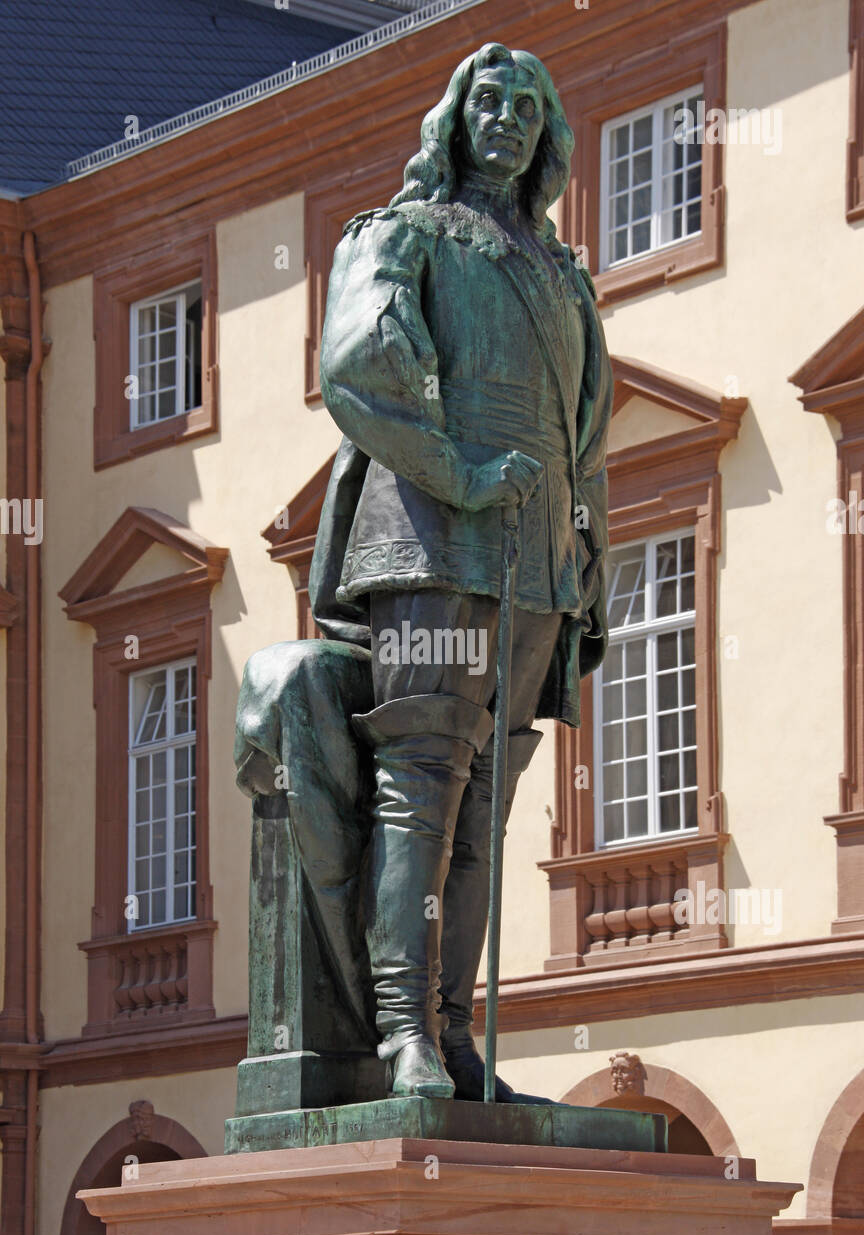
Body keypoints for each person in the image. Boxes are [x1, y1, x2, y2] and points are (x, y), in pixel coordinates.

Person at [309, 41, 613, 1102]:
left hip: (534, 563)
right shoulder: (404, 233)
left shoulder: (562, 274)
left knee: (487, 802)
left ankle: (453, 1032)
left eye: (530, 104)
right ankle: (402, 1035)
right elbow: (356, 366)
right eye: (489, 97)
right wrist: (463, 472)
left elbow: (584, 443)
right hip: (434, 540)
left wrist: (585, 560)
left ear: (547, 134)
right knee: (423, 794)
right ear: (455, 115)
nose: (509, 117)